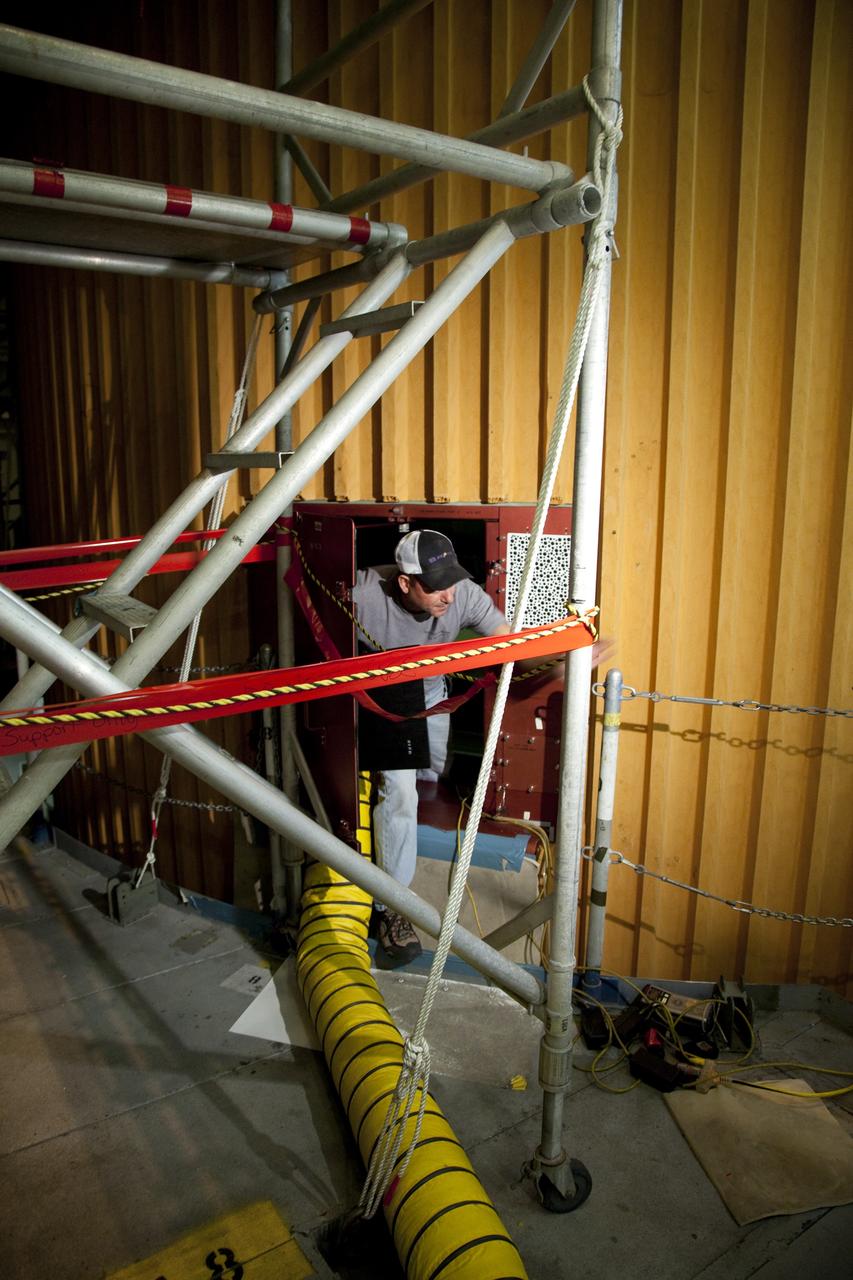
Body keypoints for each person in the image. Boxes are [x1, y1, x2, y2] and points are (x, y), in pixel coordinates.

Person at [351, 528, 541, 969]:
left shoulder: (464, 594)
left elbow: (508, 641)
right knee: (398, 793)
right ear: (404, 583)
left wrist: (569, 652)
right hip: (379, 688)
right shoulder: (362, 592)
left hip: (431, 689)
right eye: (436, 587)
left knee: (430, 778)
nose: (448, 596)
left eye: (451, 581)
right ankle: (392, 908)